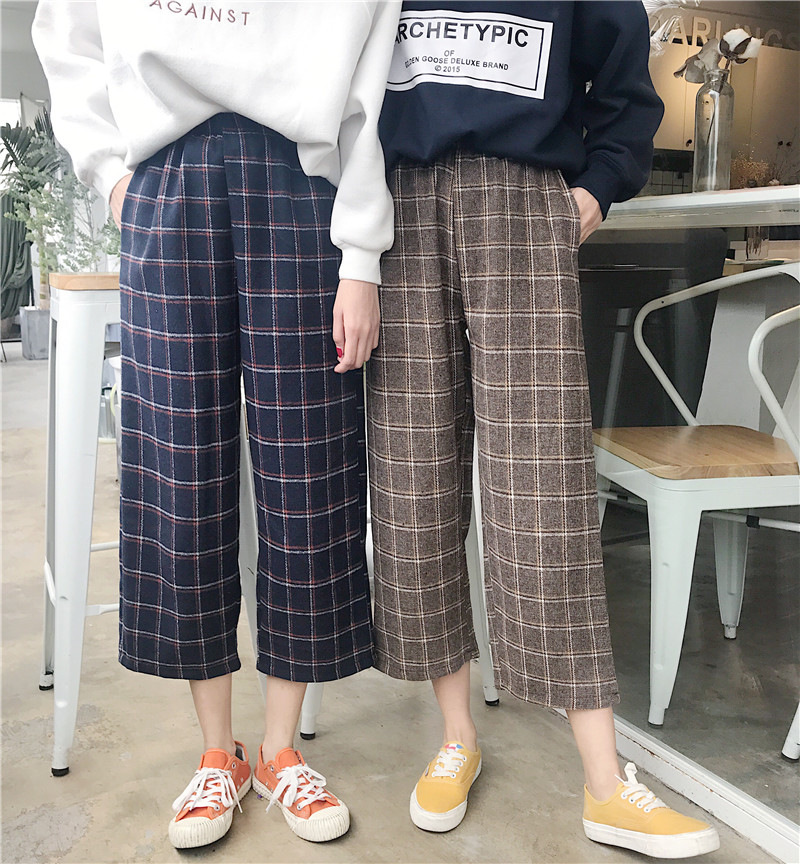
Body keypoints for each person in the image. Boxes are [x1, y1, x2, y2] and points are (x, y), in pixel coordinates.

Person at [32, 0, 399, 849]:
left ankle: (279, 750)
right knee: (177, 466)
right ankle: (215, 751)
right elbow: (66, 33)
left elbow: (371, 91)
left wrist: (362, 256)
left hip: (303, 186)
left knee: (310, 471)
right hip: (168, 182)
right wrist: (113, 175)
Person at [368, 1, 721, 858]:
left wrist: (594, 191)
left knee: (544, 489)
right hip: (397, 205)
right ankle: (456, 737)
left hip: (525, 199)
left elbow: (626, 91)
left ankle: (604, 784)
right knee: (412, 481)